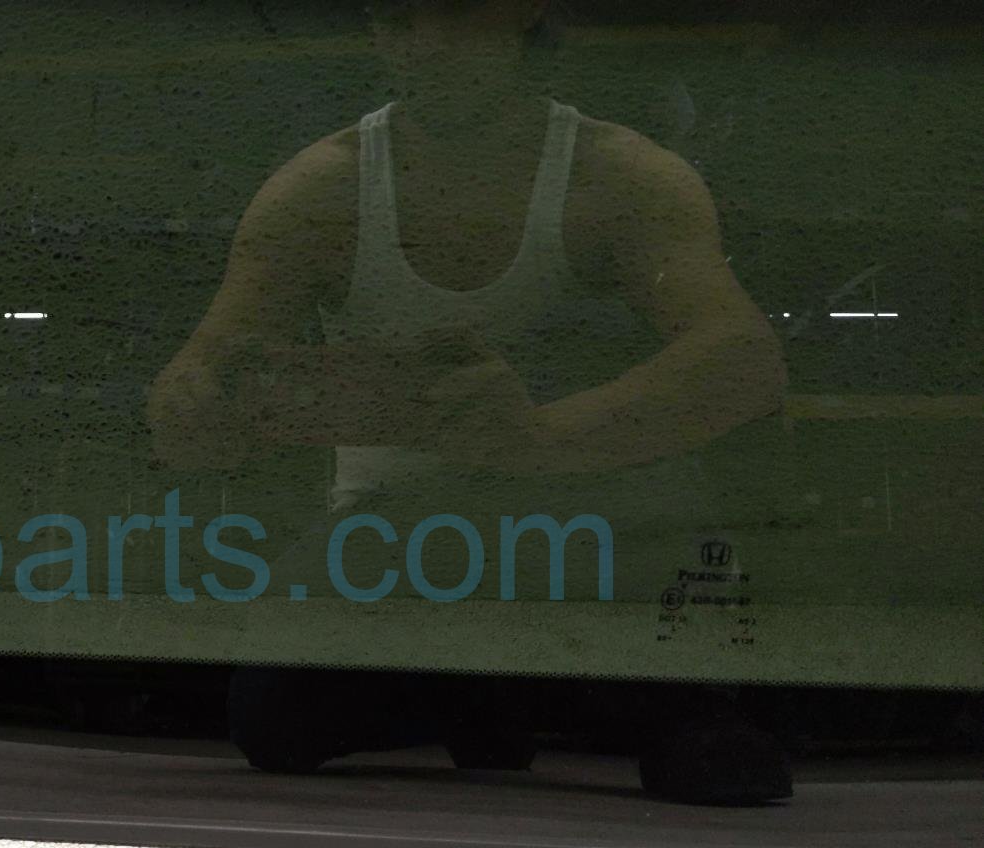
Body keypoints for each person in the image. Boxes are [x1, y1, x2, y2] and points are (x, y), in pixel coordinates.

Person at [146, 0, 788, 513]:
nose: (426, 43)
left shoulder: (621, 178)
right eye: (398, 18)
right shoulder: (318, 191)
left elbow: (742, 363)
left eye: (455, 10)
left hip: (594, 532)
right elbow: (196, 389)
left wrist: (536, 441)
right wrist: (193, 408)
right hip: (441, 540)